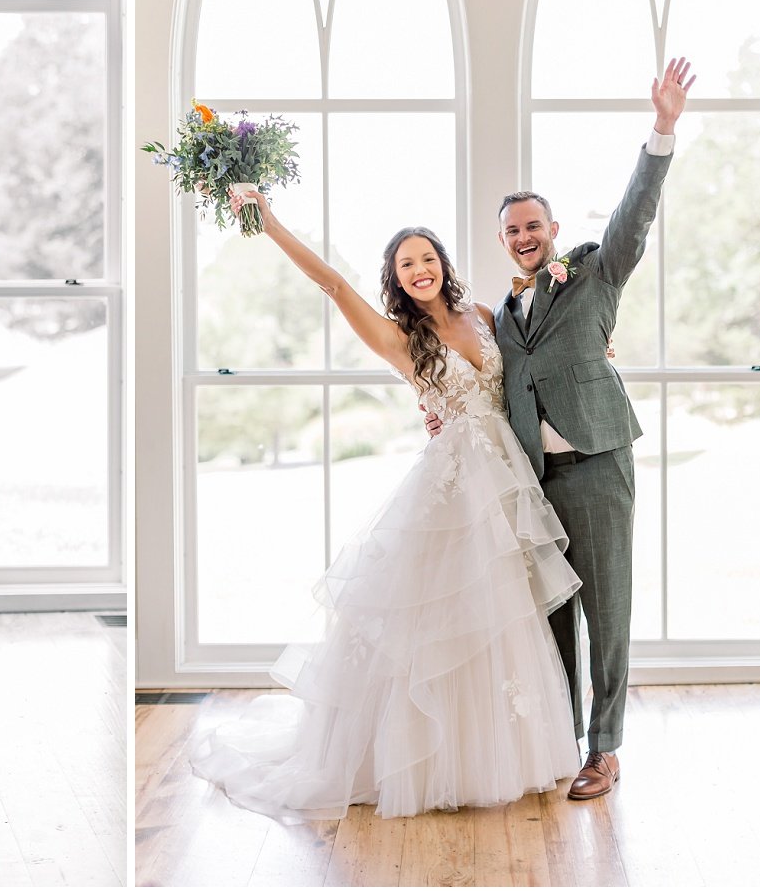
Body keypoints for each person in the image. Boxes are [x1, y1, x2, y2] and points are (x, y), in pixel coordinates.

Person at [188, 199, 582, 819]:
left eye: (427, 258)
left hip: (507, 481)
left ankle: (498, 752)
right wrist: (266, 221)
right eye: (406, 264)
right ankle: (425, 762)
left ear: (443, 264)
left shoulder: (482, 315)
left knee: (500, 614)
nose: (419, 270)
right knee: (438, 621)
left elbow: (533, 363)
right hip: (451, 488)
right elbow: (332, 283)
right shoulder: (399, 336)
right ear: (396, 279)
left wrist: (598, 348)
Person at [426, 56, 695, 800]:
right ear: (502, 239)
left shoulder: (594, 273)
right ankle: (558, 743)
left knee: (607, 612)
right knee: (550, 619)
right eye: (511, 229)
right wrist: (437, 409)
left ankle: (605, 751)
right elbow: (476, 375)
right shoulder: (503, 317)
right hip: (533, 484)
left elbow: (634, 216)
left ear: (553, 230)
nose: (522, 236)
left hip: (599, 466)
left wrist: (663, 128)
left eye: (532, 225)